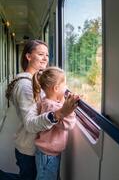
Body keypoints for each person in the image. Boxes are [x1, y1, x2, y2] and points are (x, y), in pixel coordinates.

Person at [0, 39, 79, 180]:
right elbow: (30, 124)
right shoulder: (26, 86)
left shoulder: (38, 81)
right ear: (28, 56)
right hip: (28, 149)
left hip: (35, 146)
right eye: (41, 54)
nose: (45, 58)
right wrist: (60, 113)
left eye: (47, 55)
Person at [32, 66, 78, 180]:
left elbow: (58, 108)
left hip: (47, 152)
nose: (67, 88)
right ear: (56, 88)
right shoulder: (52, 106)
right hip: (48, 155)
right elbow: (69, 124)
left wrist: (62, 101)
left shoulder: (46, 101)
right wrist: (70, 110)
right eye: (65, 85)